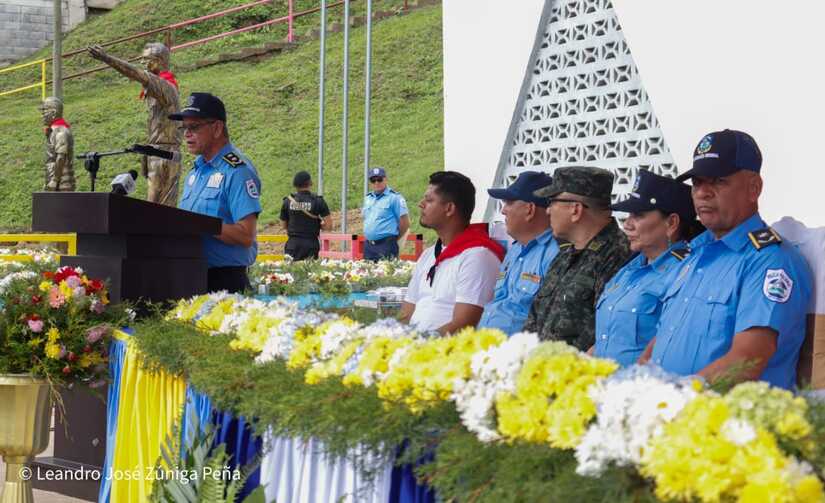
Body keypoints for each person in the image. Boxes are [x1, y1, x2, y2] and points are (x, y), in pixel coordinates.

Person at [641, 130, 812, 390]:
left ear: (754, 187)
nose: (702, 193)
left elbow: (747, 360)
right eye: (697, 183)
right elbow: (666, 335)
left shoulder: (769, 261)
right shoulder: (693, 254)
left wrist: (676, 399)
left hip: (724, 423)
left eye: (718, 181)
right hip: (668, 417)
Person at [591, 170, 704, 366]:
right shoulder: (630, 268)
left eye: (638, 215)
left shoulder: (685, 272)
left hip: (642, 389)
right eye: (628, 215)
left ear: (671, 223)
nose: (627, 224)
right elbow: (605, 339)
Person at [523, 166, 632, 350]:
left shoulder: (618, 254)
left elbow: (605, 333)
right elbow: (534, 318)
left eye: (552, 202)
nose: (548, 211)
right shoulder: (565, 254)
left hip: (578, 373)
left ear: (576, 209)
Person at [170, 92, 262, 293]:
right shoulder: (196, 171)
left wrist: (201, 225)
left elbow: (246, 235)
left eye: (194, 127)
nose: (187, 134)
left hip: (225, 282)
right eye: (184, 128)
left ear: (217, 128)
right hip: (192, 275)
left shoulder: (237, 171)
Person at [399, 171, 505, 334]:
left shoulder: (477, 256)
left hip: (445, 352)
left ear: (449, 209)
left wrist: (419, 344)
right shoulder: (429, 254)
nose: (421, 204)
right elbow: (407, 311)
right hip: (415, 346)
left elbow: (463, 324)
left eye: (429, 200)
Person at [88, 42, 182, 206]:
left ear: (159, 61)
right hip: (157, 154)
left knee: (161, 211)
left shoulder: (166, 86)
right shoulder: (158, 87)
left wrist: (106, 58)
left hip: (164, 157)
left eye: (147, 59)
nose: (143, 63)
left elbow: (137, 74)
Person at [478, 171, 559, 335]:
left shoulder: (556, 254)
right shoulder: (516, 249)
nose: (503, 211)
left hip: (521, 354)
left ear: (529, 209)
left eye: (508, 203)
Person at [279, 170, 332, 260]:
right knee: (310, 273)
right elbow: (329, 226)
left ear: (295, 184)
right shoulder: (318, 201)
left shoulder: (288, 201)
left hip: (293, 244)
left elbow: (284, 225)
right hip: (311, 244)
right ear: (310, 183)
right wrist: (319, 225)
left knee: (291, 273)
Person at [362, 167, 410, 260]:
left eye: (379, 179)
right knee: (367, 273)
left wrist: (394, 237)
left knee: (386, 273)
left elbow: (405, 222)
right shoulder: (368, 198)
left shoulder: (395, 198)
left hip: (386, 245)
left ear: (385, 179)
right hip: (369, 245)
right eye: (373, 180)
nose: (376, 183)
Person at [39, 97, 75, 191]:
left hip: (62, 184)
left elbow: (61, 158)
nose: (42, 116)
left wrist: (54, 180)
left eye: (44, 112)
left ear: (54, 113)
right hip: (54, 182)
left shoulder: (61, 132)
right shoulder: (53, 131)